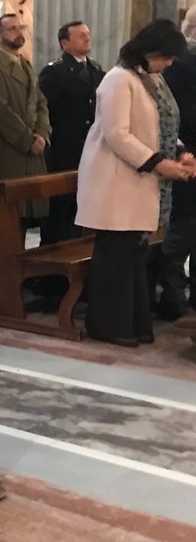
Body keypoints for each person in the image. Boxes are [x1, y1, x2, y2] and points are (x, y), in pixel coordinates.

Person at [76, 19, 195, 347]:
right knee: (115, 254)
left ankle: (135, 324)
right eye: (166, 56)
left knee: (134, 254)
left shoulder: (152, 78)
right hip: (115, 178)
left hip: (138, 178)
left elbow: (163, 124)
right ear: (149, 50)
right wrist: (159, 163)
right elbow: (117, 133)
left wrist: (182, 152)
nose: (170, 63)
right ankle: (108, 325)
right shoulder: (118, 80)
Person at [0, 13, 51, 245]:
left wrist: (42, 133)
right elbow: (0, 109)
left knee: (23, 217)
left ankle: (18, 272)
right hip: (9, 150)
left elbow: (41, 103)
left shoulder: (25, 64)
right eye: (12, 29)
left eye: (21, 27)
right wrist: (28, 139)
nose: (19, 32)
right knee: (3, 218)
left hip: (31, 151)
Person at [39, 21, 104, 243]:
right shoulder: (55, 72)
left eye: (88, 34)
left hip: (90, 148)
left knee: (83, 208)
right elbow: (45, 110)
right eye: (80, 36)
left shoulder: (95, 69)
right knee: (61, 207)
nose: (87, 39)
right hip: (64, 149)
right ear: (65, 43)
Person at [157, 11, 196, 318]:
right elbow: (179, 118)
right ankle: (172, 299)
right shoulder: (180, 67)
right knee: (180, 234)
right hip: (186, 161)